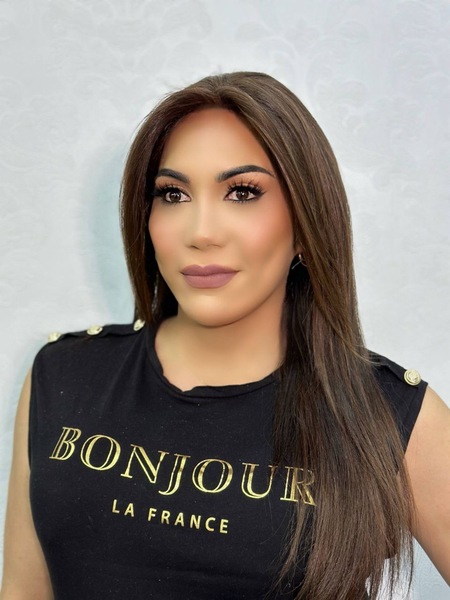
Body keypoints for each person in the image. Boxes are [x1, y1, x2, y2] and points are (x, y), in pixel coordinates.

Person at [1, 72, 449, 600]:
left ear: (306, 222)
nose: (201, 232)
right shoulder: (64, 375)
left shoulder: (391, 417)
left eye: (242, 192)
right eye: (173, 194)